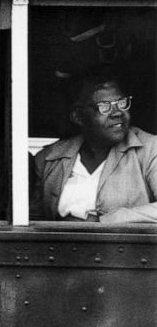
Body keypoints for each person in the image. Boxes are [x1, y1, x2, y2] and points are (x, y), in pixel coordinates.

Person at [31, 67, 157, 223]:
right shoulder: (48, 159)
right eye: (104, 106)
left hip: (122, 247)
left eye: (122, 103)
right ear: (78, 117)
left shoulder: (151, 149)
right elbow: (32, 221)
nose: (117, 112)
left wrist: (106, 221)